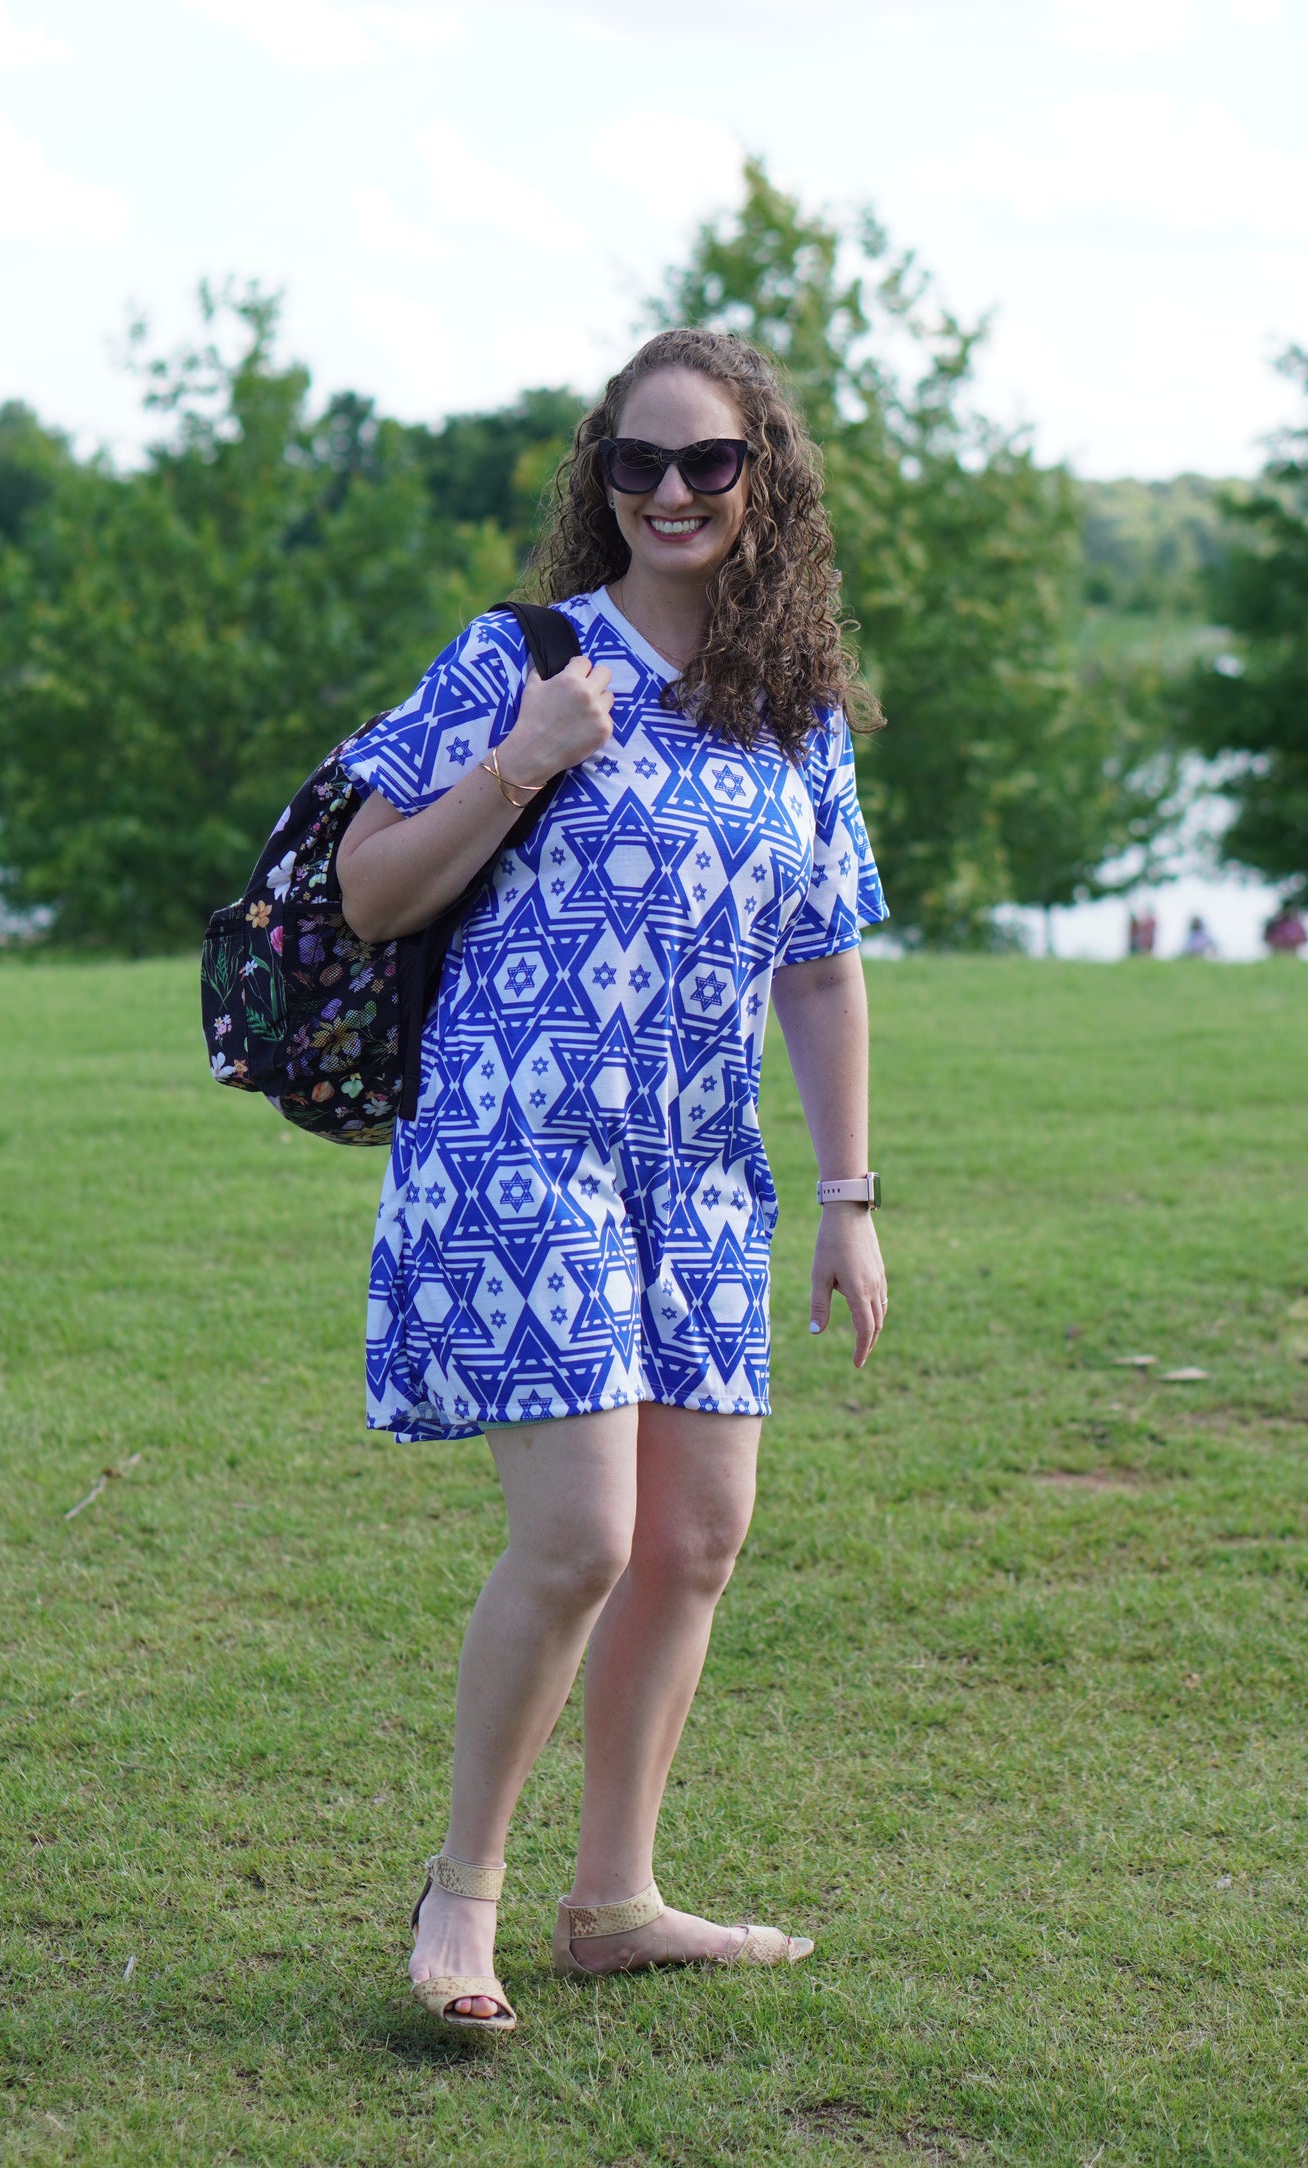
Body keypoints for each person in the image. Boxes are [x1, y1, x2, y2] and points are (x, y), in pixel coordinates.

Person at [336, 327, 889, 2034]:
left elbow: (818, 964)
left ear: (759, 483)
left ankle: (616, 1900)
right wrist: (527, 755)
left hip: (700, 1172)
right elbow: (367, 890)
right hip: (520, 1141)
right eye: (635, 463)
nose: (667, 492)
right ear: (601, 478)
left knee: (699, 1537)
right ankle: (462, 1902)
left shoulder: (792, 713)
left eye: (704, 463)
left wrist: (848, 1199)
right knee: (580, 1536)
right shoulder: (525, 661)